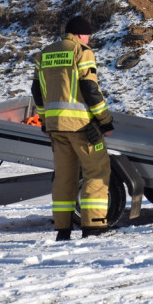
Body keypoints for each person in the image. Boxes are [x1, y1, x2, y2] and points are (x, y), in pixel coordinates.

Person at [32, 16, 116, 241]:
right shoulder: (81, 51)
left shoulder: (45, 53)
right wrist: (105, 120)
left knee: (64, 177)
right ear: (80, 34)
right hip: (82, 126)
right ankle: (94, 225)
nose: (89, 39)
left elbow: (37, 90)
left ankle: (62, 229)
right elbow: (90, 88)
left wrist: (44, 120)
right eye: (88, 35)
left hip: (56, 127)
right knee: (96, 171)